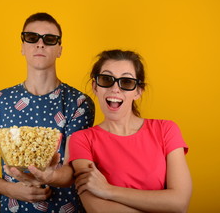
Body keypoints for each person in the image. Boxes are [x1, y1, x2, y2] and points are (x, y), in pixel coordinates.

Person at [0, 12, 95, 213]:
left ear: (60, 49)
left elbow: (72, 171)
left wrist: (48, 177)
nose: (40, 44)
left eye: (49, 39)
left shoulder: (78, 103)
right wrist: (11, 190)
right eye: (31, 37)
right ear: (22, 47)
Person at [68, 50, 192, 213]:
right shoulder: (81, 139)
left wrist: (108, 190)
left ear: (138, 91)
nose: (115, 89)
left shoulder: (166, 130)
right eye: (106, 79)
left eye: (126, 82)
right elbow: (98, 209)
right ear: (95, 86)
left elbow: (179, 202)